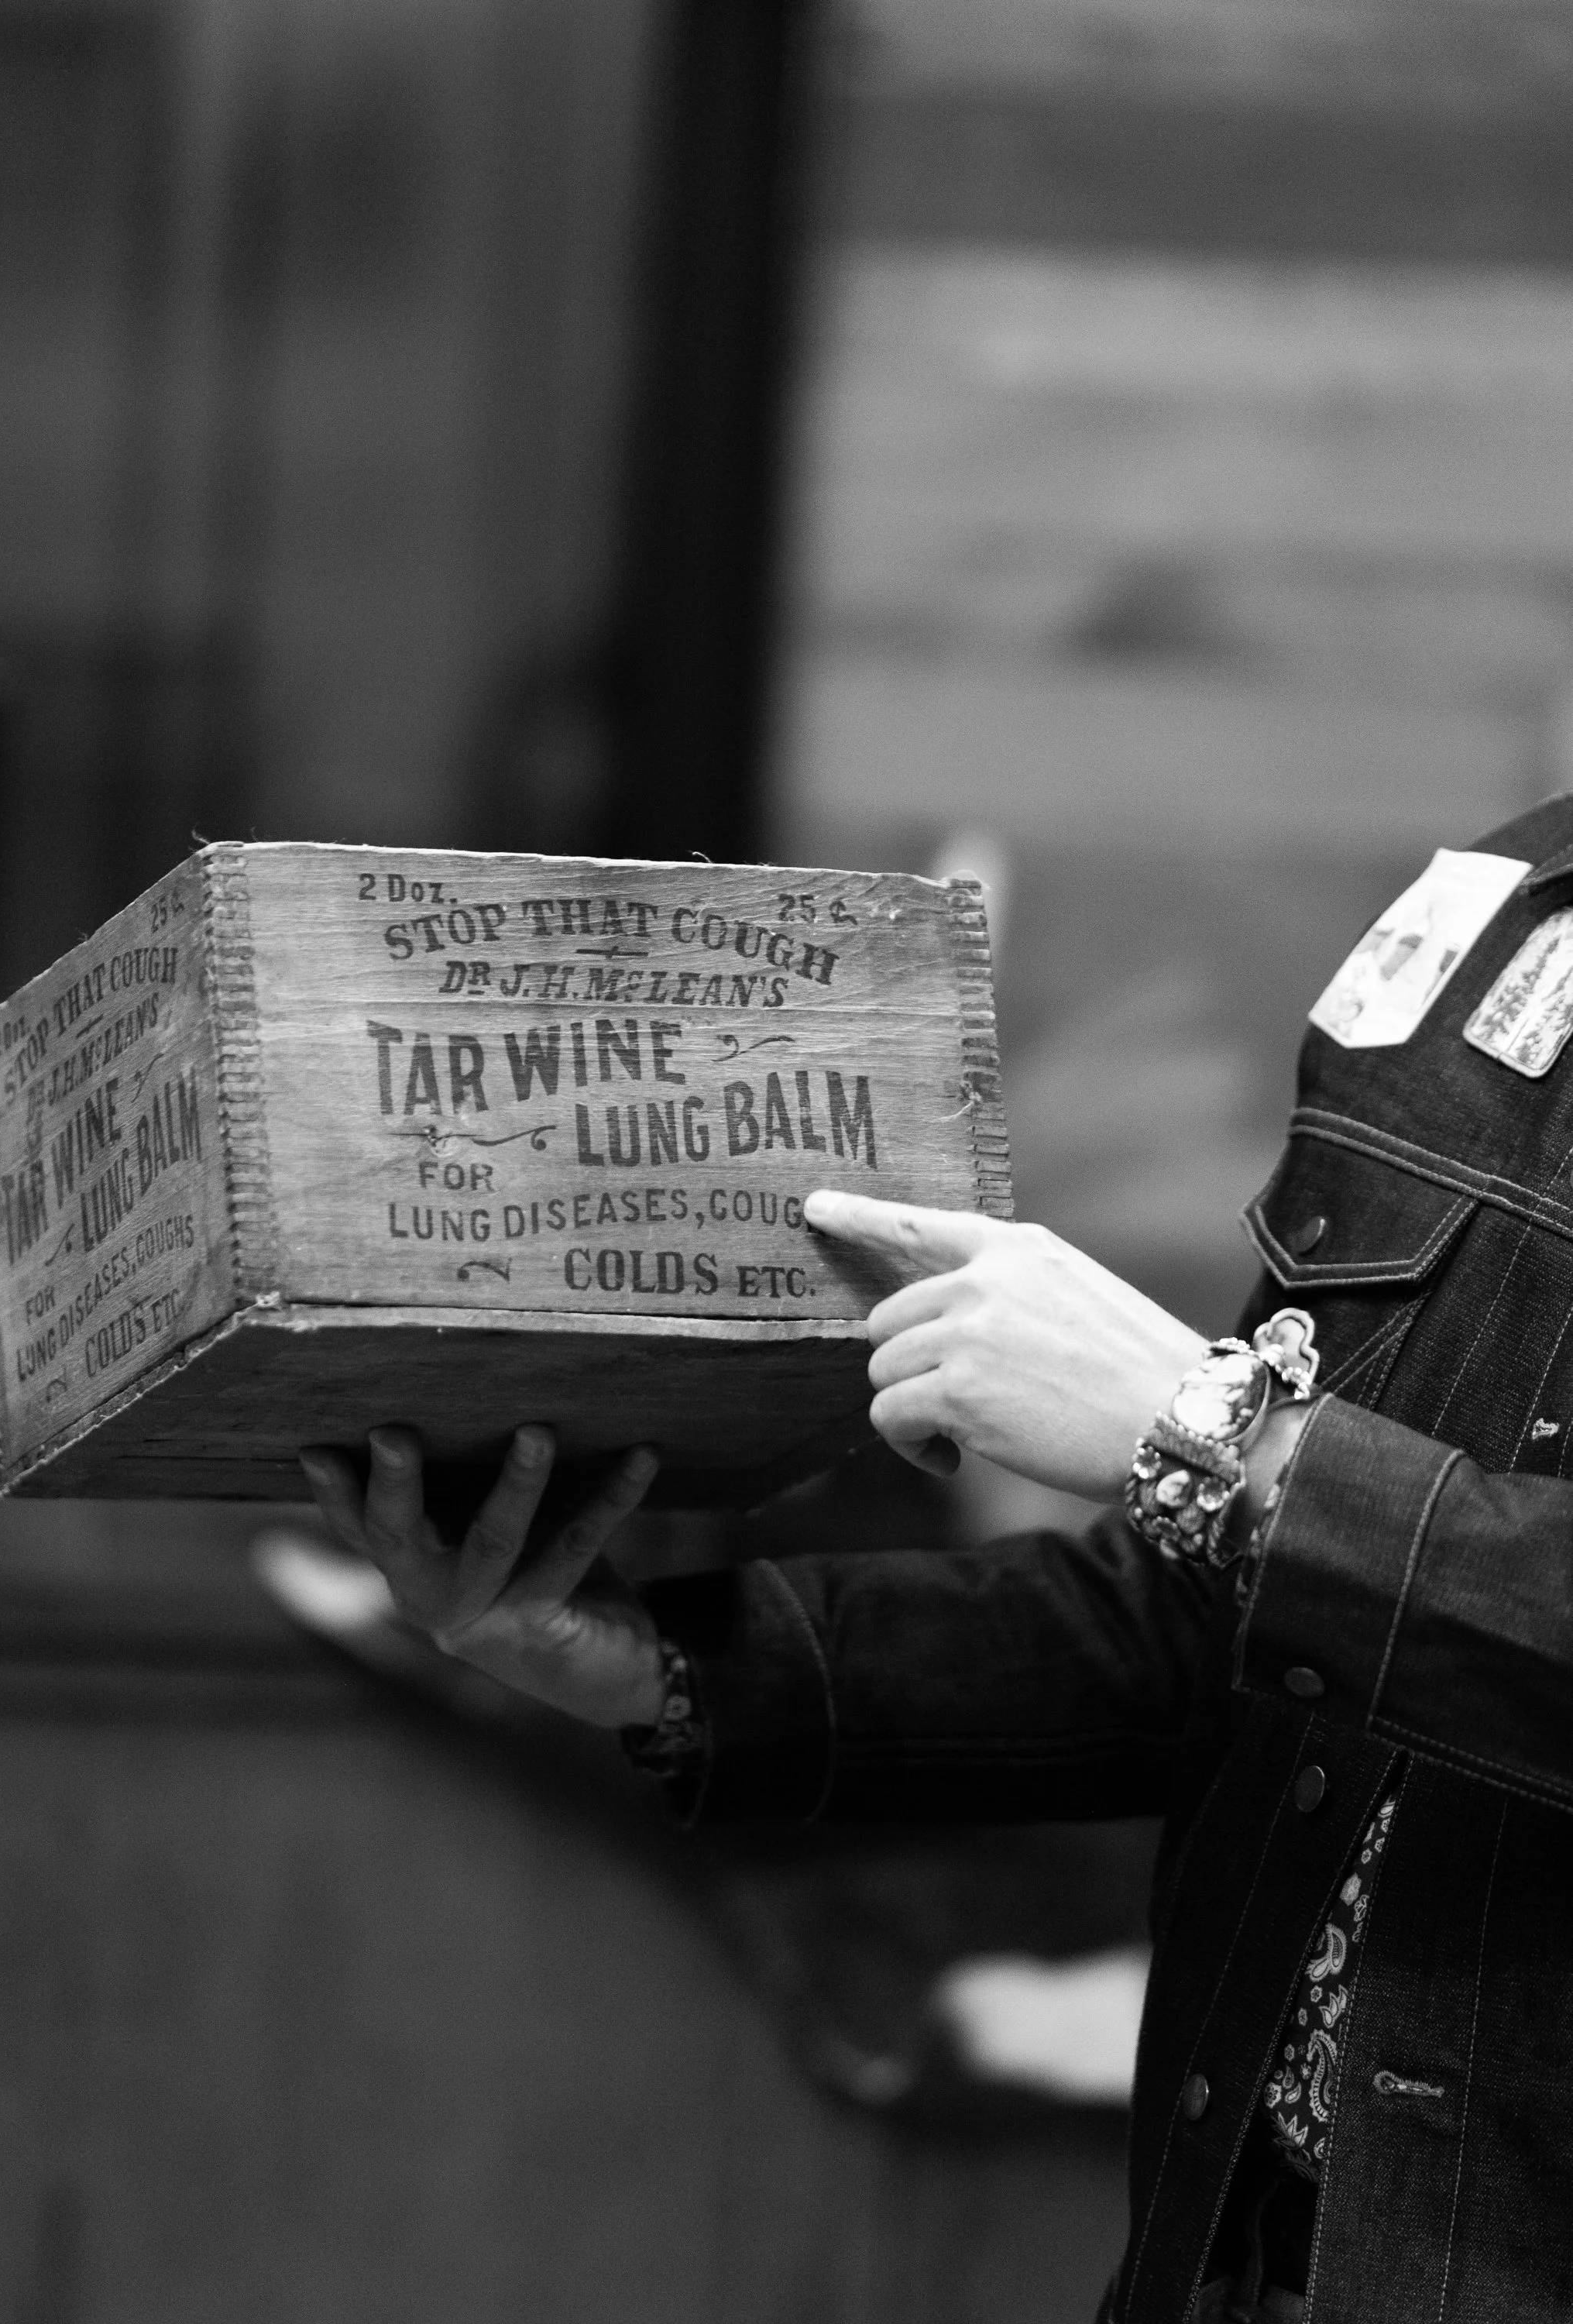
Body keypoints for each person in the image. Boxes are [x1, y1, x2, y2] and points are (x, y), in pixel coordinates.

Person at [300, 795, 1573, 2324]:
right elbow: (1227, 1620)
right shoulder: (1511, 902)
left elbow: (1254, 1496)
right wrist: (659, 1663)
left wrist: (1219, 1441)